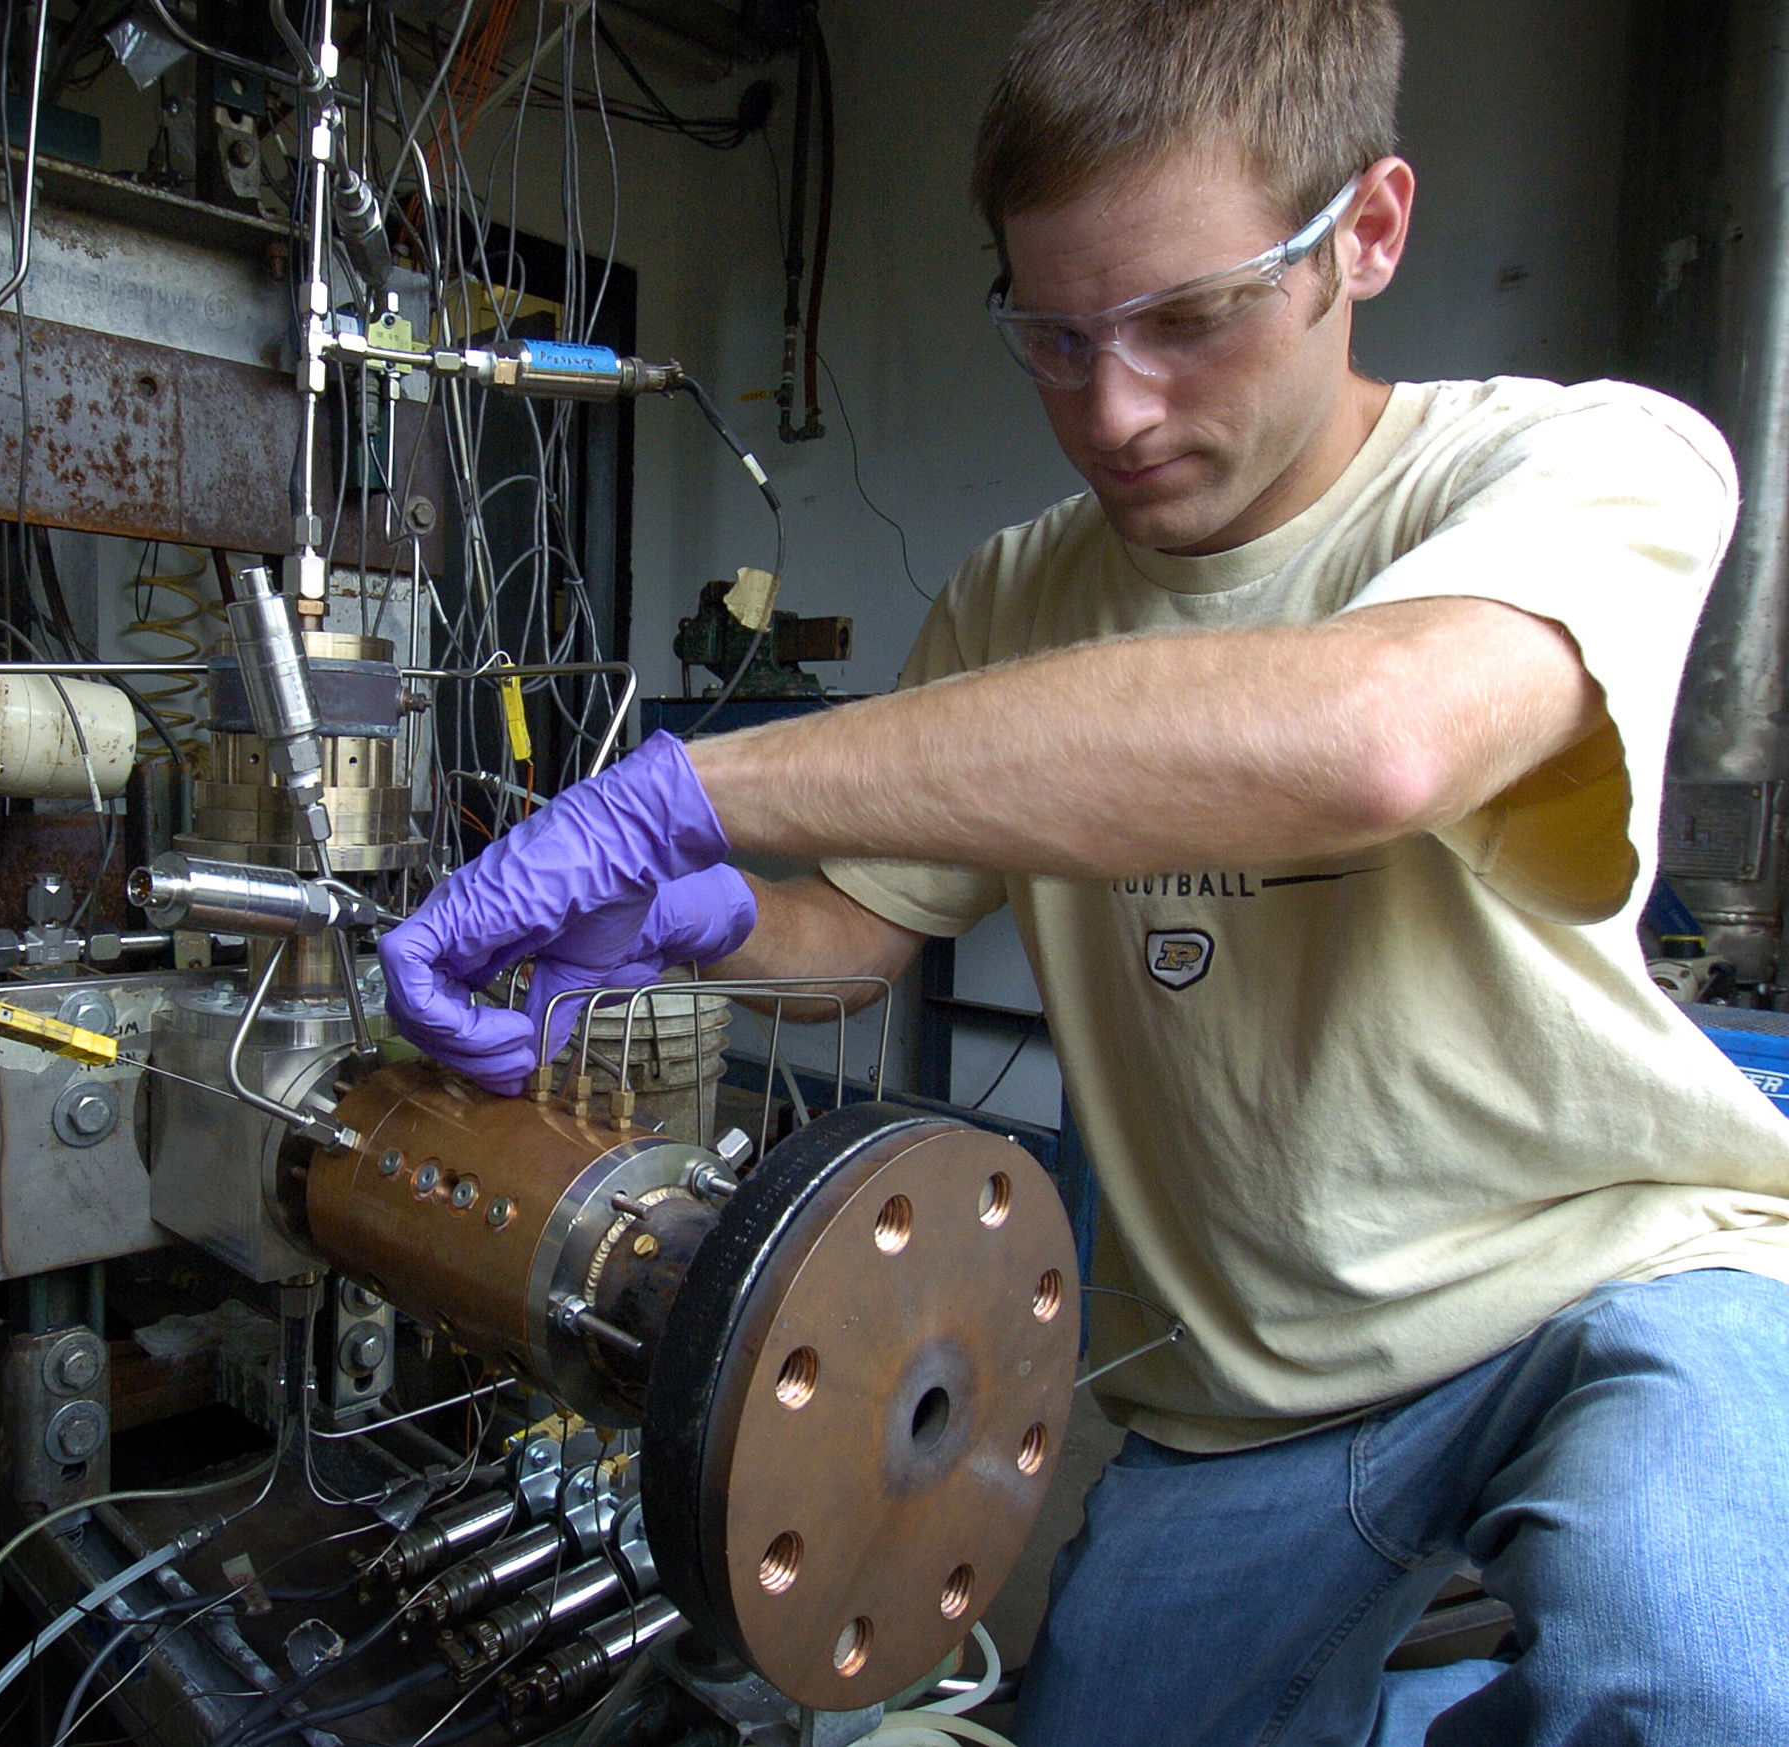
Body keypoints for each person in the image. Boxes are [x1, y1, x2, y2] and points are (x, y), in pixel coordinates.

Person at [379, 0, 1789, 1740]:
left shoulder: (1580, 461)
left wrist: (675, 800)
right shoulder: (1012, 595)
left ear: (1367, 231)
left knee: (1704, 1691)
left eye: (1189, 320)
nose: (1114, 412)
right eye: (1051, 338)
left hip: (1614, 1283)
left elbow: (1378, 738)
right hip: (1240, 1393)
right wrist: (694, 924)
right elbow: (856, 936)